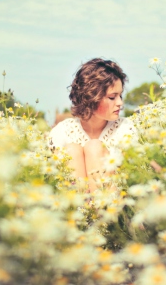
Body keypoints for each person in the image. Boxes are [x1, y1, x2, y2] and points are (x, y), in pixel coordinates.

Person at [49, 58, 137, 191]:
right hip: (72, 205)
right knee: (72, 150)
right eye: (112, 97)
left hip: (114, 205)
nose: (120, 103)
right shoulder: (62, 131)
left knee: (94, 147)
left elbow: (131, 175)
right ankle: (83, 210)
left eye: (120, 96)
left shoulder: (125, 128)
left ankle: (98, 210)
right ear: (91, 97)